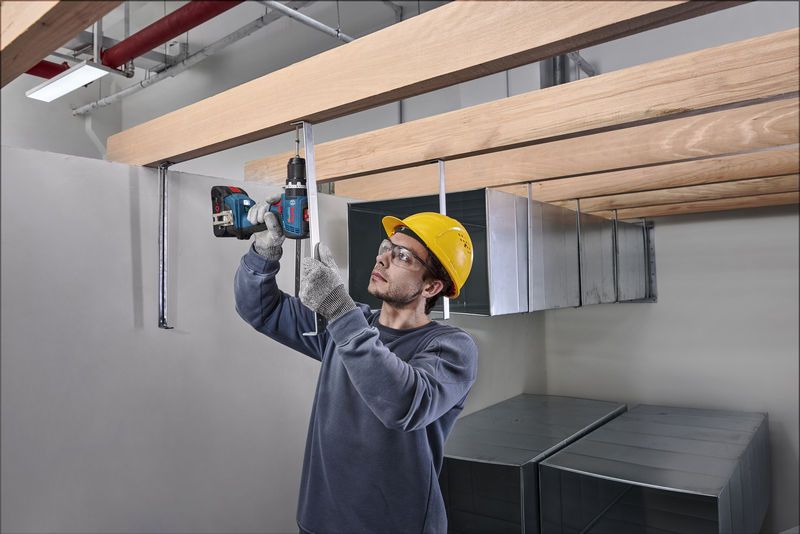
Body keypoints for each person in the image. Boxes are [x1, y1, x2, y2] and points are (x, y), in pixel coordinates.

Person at [234, 194, 479, 534]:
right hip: (320, 520)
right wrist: (264, 253)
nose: (383, 259)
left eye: (403, 257)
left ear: (432, 286)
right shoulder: (352, 323)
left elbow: (403, 403)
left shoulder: (451, 348)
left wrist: (338, 308)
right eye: (386, 247)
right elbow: (262, 310)